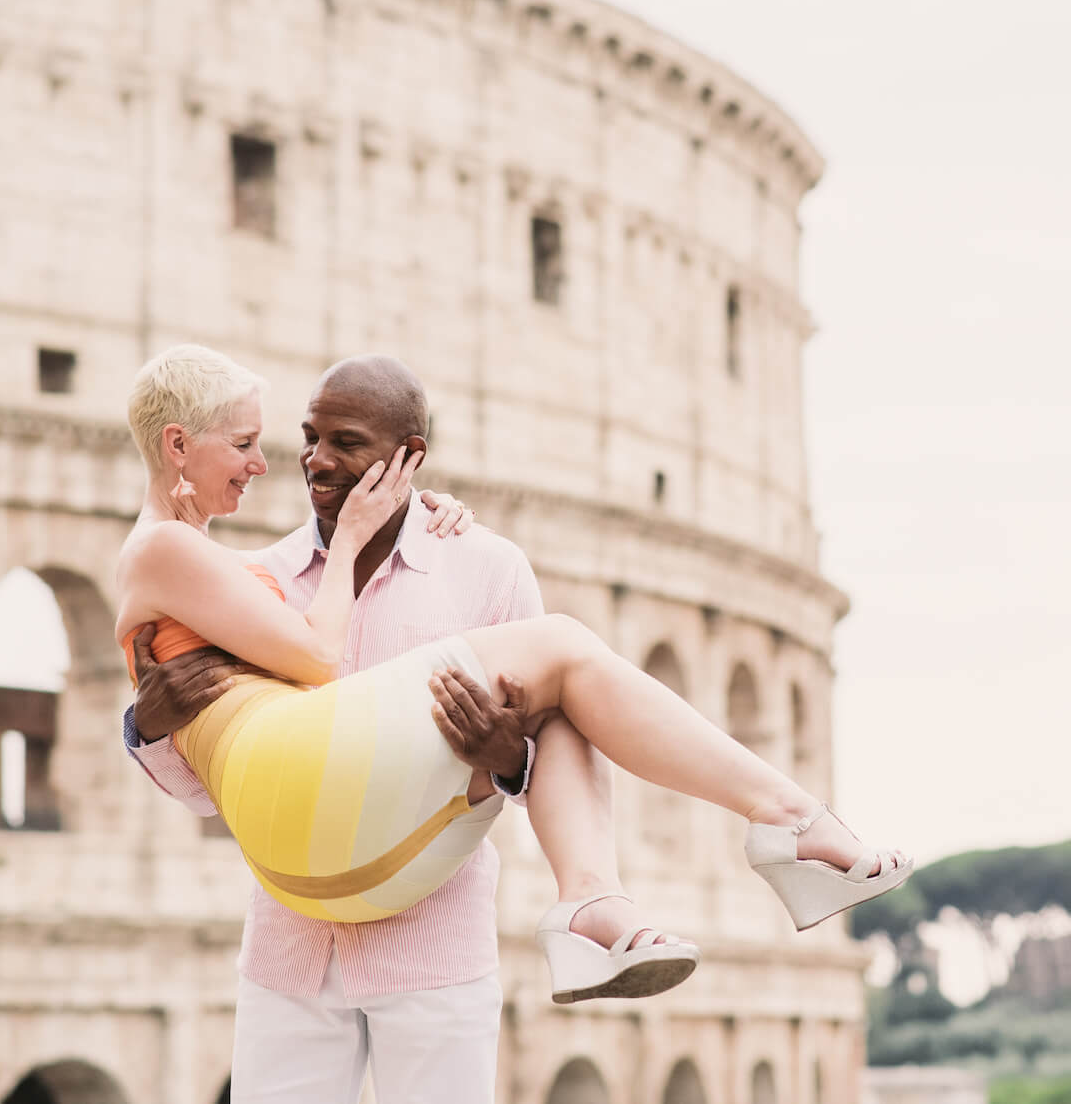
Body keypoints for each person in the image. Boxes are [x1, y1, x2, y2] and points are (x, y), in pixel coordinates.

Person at [119, 346, 910, 1102]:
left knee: (563, 695)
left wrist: (508, 760)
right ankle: (723, 847)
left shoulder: (486, 568)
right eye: (308, 440)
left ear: (409, 456)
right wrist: (148, 732)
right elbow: (225, 778)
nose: (314, 462)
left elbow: (547, 766)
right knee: (567, 655)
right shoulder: (259, 578)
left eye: (346, 444)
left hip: (429, 935)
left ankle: (635, 886)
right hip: (294, 936)